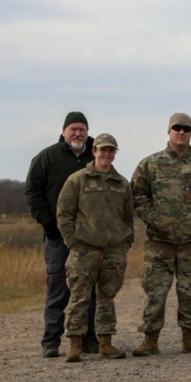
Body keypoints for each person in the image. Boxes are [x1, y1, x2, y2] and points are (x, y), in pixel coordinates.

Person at [130, 113, 191, 356]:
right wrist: (154, 219)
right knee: (155, 291)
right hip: (159, 242)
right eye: (176, 128)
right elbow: (138, 195)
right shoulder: (150, 164)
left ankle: (190, 338)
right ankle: (150, 339)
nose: (181, 132)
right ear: (169, 131)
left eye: (186, 128)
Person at [25, 111, 98, 357]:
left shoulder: (97, 156)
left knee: (89, 288)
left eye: (82, 130)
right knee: (58, 286)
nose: (78, 134)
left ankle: (88, 339)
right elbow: (32, 192)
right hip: (57, 236)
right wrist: (48, 223)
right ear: (64, 131)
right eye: (73, 129)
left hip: (90, 238)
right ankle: (50, 341)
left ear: (87, 132)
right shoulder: (47, 157)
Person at [56, 133, 134, 362]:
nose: (106, 154)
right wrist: (72, 241)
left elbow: (128, 216)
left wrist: (125, 241)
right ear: (94, 151)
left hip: (113, 251)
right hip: (84, 250)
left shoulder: (121, 183)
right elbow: (64, 214)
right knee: (79, 297)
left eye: (111, 150)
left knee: (107, 298)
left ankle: (106, 343)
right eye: (103, 150)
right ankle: (74, 344)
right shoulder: (77, 180)